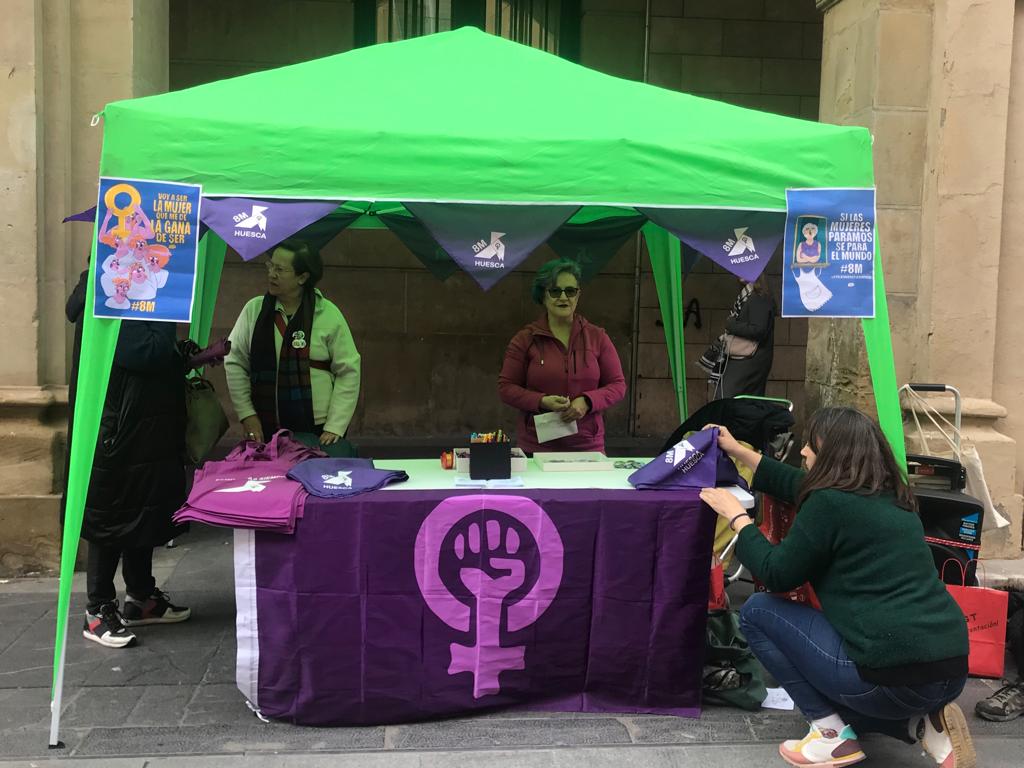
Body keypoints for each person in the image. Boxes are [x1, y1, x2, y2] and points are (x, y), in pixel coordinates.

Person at [699, 407, 974, 768]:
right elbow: (797, 484)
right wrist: (737, 450)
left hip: (891, 679)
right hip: (952, 670)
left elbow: (776, 573)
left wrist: (738, 519)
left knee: (757, 612)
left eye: (810, 445)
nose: (802, 452)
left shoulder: (829, 504)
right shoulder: (894, 496)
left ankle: (831, 736)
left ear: (828, 451)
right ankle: (920, 722)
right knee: (864, 700)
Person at [81, 321, 194, 648]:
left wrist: (186, 357)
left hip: (144, 430)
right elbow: (148, 352)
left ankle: (141, 598)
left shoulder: (143, 301)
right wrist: (167, 324)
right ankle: (98, 610)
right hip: (120, 433)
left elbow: (153, 363)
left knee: (142, 509)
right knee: (110, 518)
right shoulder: (114, 298)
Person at [225, 239, 360, 446]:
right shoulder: (255, 310)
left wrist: (335, 425)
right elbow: (235, 361)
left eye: (280, 269)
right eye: (270, 265)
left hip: (317, 428)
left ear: (302, 277)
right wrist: (247, 415)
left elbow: (348, 371)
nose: (271, 274)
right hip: (264, 425)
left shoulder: (327, 314)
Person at [498, 258, 625, 454]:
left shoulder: (597, 337)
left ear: (578, 295)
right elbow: (506, 388)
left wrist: (587, 401)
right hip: (536, 448)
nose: (563, 297)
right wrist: (541, 401)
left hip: (588, 448)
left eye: (570, 290)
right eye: (555, 291)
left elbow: (618, 385)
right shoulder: (524, 339)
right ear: (543, 296)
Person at [713, 273, 776, 399]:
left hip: (750, 359)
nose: (739, 272)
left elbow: (758, 330)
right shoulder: (748, 295)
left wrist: (731, 324)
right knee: (742, 401)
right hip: (748, 358)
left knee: (726, 398)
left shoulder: (759, 297)